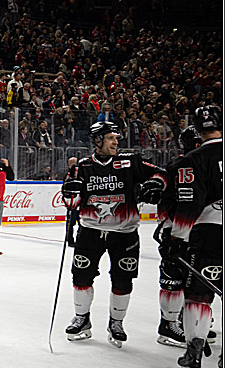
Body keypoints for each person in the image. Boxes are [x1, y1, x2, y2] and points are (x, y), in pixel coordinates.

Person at [61, 122, 167, 348]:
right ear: (97, 140)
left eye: (116, 138)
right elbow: (71, 202)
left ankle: (116, 323)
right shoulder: (81, 166)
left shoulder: (130, 161)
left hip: (125, 232)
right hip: (90, 231)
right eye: (110, 138)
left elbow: (161, 173)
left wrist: (154, 184)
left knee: (122, 280)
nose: (116, 142)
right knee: (81, 277)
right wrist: (69, 193)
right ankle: (82, 319)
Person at [166, 105, 222, 368]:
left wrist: (177, 238)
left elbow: (190, 202)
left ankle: (194, 351)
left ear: (198, 130)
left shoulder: (194, 158)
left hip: (210, 230)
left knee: (199, 294)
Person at [153, 126, 202, 348]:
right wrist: (171, 230)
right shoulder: (182, 164)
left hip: (194, 230)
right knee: (172, 279)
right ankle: (168, 325)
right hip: (176, 231)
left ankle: (185, 320)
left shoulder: (199, 162)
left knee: (192, 278)